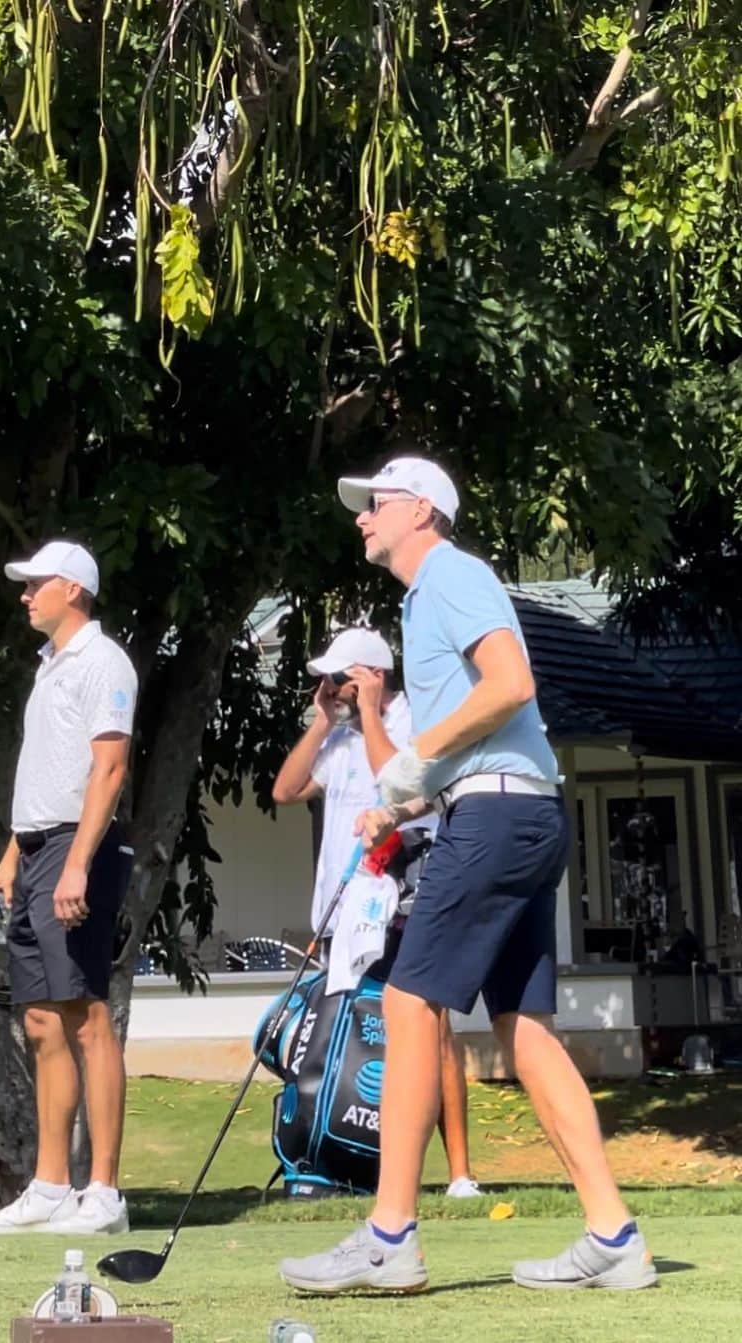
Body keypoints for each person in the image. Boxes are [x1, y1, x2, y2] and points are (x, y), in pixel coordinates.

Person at [280, 455, 656, 1294]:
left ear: (420, 509)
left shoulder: (449, 575)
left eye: (376, 503)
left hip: (494, 818)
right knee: (524, 1028)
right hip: (517, 813)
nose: (363, 517)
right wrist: (407, 795)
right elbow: (477, 735)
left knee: (412, 1002)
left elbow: (511, 685)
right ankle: (613, 1235)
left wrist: (415, 765)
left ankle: (389, 1235)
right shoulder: (429, 595)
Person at [0, 540, 137, 1237]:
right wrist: (11, 858)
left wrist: (76, 862)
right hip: (39, 847)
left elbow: (110, 768)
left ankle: (105, 1192)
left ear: (72, 588)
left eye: (36, 584)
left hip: (79, 847)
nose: (25, 594)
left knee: (86, 1014)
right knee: (39, 1020)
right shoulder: (48, 669)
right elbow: (44, 780)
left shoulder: (104, 662)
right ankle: (51, 1186)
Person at [271, 626, 480, 1199]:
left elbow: (404, 788)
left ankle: (459, 1172)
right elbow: (285, 792)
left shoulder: (415, 724)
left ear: (374, 677)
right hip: (343, 916)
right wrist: (322, 722)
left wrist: (368, 715)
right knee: (353, 1042)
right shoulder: (338, 740)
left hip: (404, 903)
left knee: (430, 1031)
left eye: (340, 678)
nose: (330, 687)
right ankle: (355, 1161)